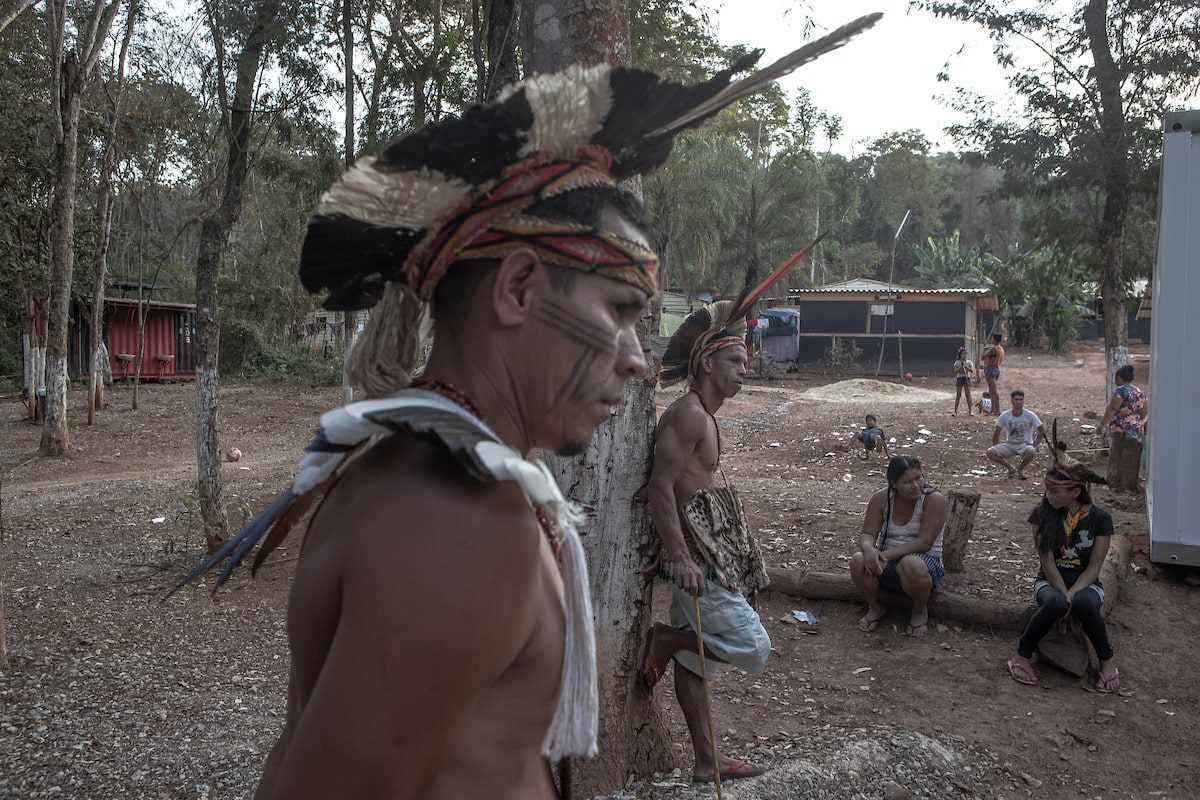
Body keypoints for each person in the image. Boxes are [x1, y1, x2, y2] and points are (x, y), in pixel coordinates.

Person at [167, 42, 895, 798]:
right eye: (618, 312)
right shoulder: (458, 520)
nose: (638, 357)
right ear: (518, 287)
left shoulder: (418, 472)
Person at [638, 298, 773, 784]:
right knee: (754, 647)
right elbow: (659, 487)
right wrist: (678, 554)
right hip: (694, 557)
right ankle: (666, 638)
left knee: (696, 664)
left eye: (746, 360)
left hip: (705, 553)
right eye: (736, 361)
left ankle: (706, 760)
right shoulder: (690, 415)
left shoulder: (705, 416)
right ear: (707, 362)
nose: (745, 369)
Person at [1007, 466, 1119, 692]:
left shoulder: (1100, 519)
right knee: (1056, 602)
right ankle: (1021, 657)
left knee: (1084, 603)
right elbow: (1047, 562)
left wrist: (1071, 595)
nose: (1048, 495)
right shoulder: (1041, 515)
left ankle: (1107, 664)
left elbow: (1095, 567)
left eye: (1055, 491)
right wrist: (1063, 597)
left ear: (1075, 492)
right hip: (1049, 582)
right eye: (1047, 489)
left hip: (1087, 584)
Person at [850, 455, 948, 637]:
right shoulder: (881, 498)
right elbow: (867, 534)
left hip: (924, 562)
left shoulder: (933, 500)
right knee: (858, 560)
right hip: (889, 560)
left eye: (918, 478)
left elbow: (924, 543)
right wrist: (870, 549)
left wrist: (884, 555)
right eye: (908, 481)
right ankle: (876, 607)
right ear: (893, 484)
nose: (915, 485)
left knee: (911, 563)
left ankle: (919, 611)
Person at [1099, 364, 1148, 491]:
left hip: (1120, 428)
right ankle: (1130, 484)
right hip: (1136, 428)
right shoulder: (1140, 393)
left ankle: (1114, 483)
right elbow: (1143, 413)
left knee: (1117, 455)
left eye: (1116, 379)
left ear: (1119, 378)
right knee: (1132, 457)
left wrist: (1102, 425)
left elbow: (1112, 408)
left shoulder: (1120, 391)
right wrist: (1134, 419)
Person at [987, 389, 1049, 479]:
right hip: (1009, 444)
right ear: (1011, 401)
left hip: (1024, 444)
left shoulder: (1030, 415)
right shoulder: (1005, 415)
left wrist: (1035, 445)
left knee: (1031, 452)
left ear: (1023, 401)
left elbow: (1042, 430)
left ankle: (1020, 470)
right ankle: (1010, 468)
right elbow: (997, 431)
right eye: (1016, 400)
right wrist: (995, 446)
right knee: (990, 452)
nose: (1019, 402)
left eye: (1021, 400)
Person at [981, 333, 1005, 415]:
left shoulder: (993, 349)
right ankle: (993, 409)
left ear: (994, 339)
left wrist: (985, 349)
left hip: (991, 369)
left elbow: (982, 357)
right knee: (991, 390)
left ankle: (997, 410)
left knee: (993, 390)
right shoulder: (1000, 348)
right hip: (996, 369)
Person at [952, 346, 975, 416]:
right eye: (963, 354)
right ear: (960, 355)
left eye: (965, 354)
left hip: (966, 378)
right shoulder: (957, 363)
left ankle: (971, 411)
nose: (964, 355)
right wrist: (962, 368)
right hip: (959, 378)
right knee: (958, 395)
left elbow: (972, 371)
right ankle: (955, 411)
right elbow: (956, 371)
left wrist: (966, 367)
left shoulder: (969, 362)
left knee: (968, 395)